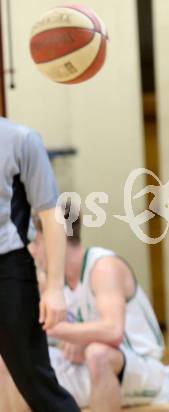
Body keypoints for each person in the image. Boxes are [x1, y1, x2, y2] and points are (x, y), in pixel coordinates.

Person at [0, 207, 169, 411]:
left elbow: (113, 331)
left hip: (141, 369)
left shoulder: (103, 267)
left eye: (37, 242)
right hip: (88, 367)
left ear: (56, 239)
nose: (32, 250)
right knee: (10, 359)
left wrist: (68, 333)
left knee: (98, 353)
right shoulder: (51, 282)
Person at [0, 118, 79, 411]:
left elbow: (50, 212)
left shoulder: (21, 139)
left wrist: (55, 288)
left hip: (7, 268)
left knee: (34, 380)